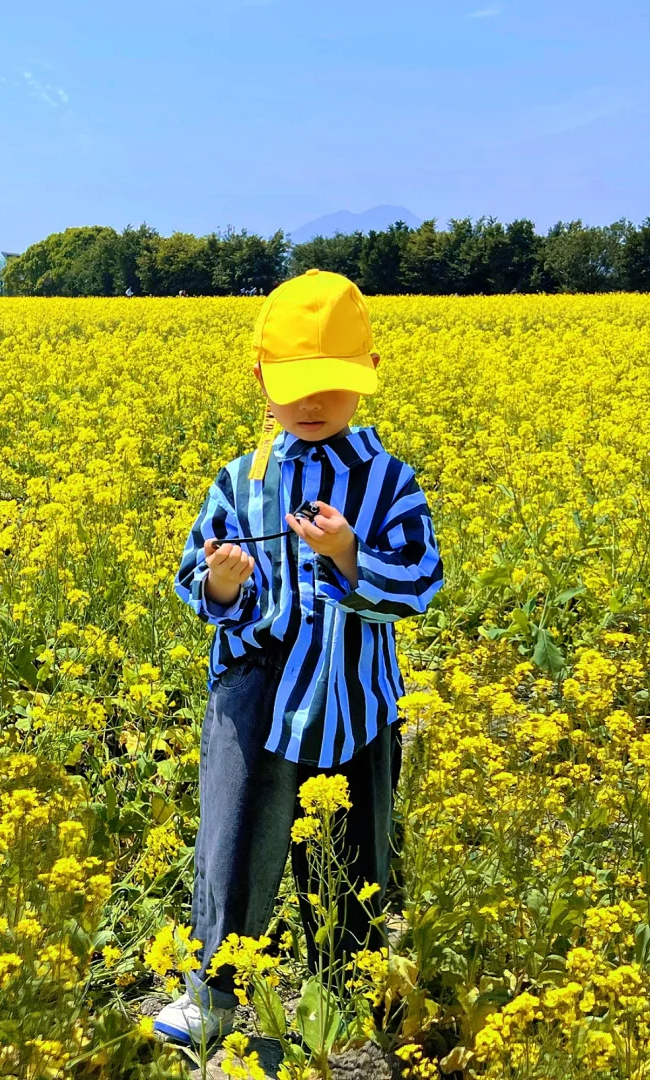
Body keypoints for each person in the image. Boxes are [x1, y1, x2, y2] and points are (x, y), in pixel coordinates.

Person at [154, 269, 444, 1049]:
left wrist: (351, 555)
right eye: (295, 385)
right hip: (255, 691)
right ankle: (212, 994)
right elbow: (193, 572)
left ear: (370, 377)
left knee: (355, 848)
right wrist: (219, 583)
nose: (314, 404)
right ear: (260, 380)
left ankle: (342, 990)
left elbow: (422, 582)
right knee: (234, 843)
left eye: (335, 385)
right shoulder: (239, 480)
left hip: (357, 695)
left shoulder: (389, 481)